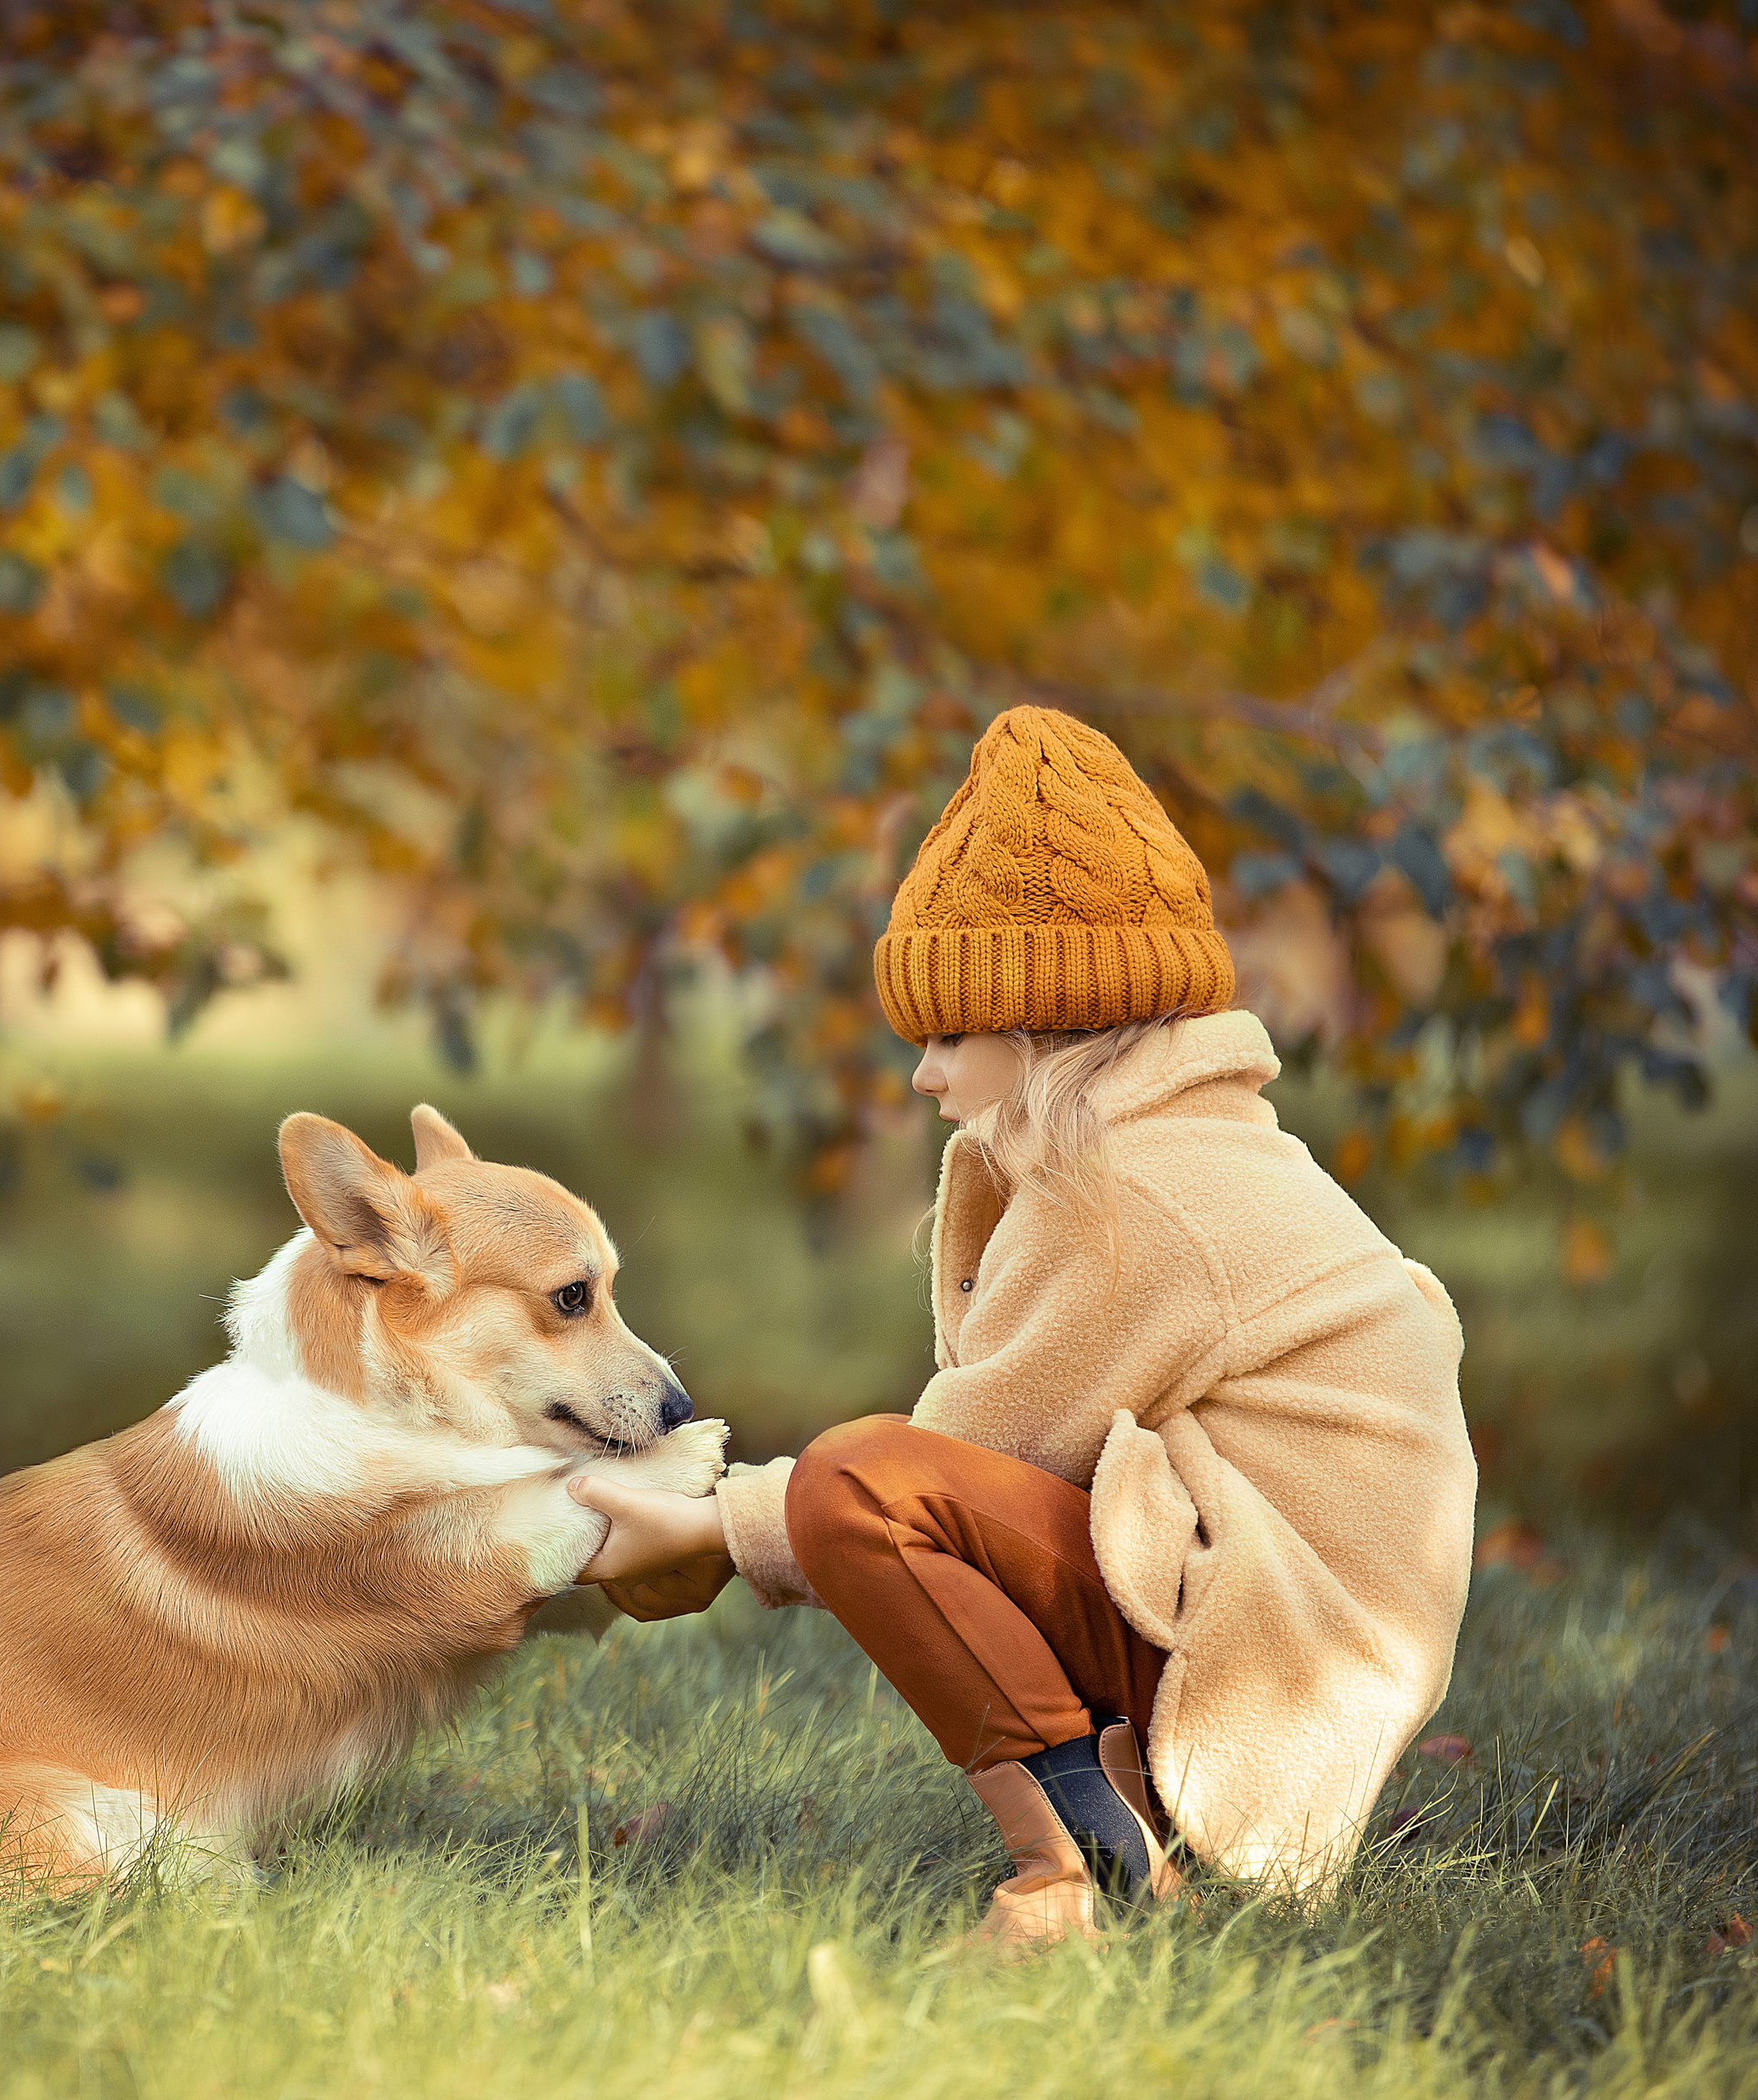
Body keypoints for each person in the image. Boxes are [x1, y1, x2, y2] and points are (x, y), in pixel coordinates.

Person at [567, 706, 1478, 1949]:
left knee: (857, 1483)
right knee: (862, 1488)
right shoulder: (1178, 1145)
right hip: (1266, 1605)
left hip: (1270, 1653)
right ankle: (1114, 1799)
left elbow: (968, 1460)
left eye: (950, 1035)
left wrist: (718, 1526)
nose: (922, 1076)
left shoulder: (1138, 1193)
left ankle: (1082, 1859)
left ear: (1047, 1028)